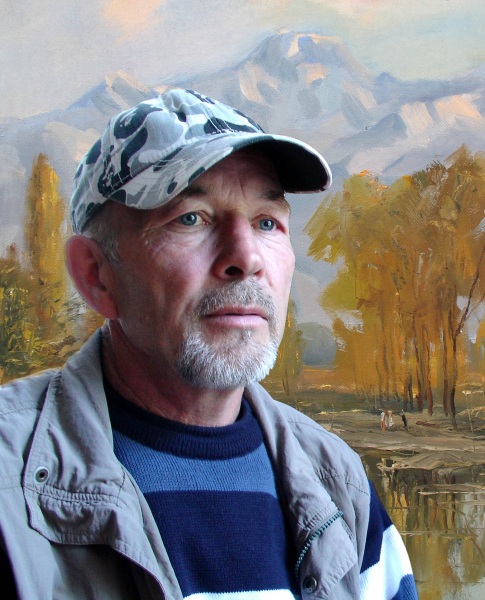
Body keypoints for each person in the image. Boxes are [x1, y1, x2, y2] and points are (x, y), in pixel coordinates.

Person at [0, 89, 418, 599]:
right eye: (191, 218)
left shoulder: (339, 483)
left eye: (267, 222)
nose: (246, 257)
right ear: (96, 275)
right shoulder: (8, 483)